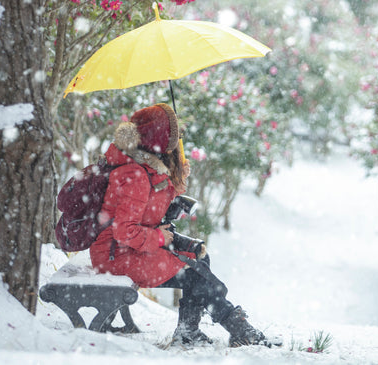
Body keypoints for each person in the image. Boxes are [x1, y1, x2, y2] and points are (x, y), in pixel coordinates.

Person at [90, 103, 269, 348]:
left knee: (198, 256)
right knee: (194, 276)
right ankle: (237, 327)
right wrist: (161, 238)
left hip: (127, 249)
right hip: (116, 256)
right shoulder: (135, 174)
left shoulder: (146, 167)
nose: (177, 140)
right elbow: (125, 231)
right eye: (173, 136)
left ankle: (189, 331)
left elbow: (149, 209)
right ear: (159, 138)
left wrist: (176, 176)